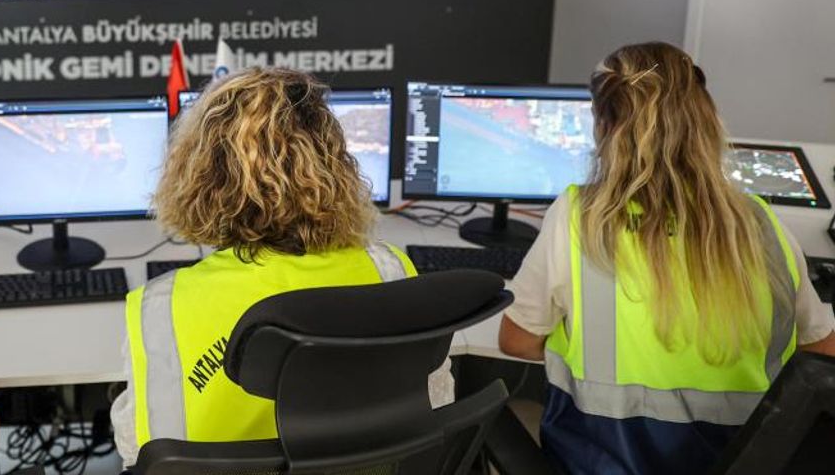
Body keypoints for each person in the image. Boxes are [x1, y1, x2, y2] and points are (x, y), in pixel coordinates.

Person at [499, 42, 835, 475]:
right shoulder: (763, 224)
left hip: (602, 462)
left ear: (604, 128)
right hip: (743, 461)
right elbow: (821, 350)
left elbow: (517, 340)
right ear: (705, 121)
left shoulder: (579, 218)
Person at [111, 67, 453, 466]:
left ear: (200, 177)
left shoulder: (160, 308)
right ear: (336, 167)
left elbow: (137, 449)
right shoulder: (389, 272)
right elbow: (437, 404)